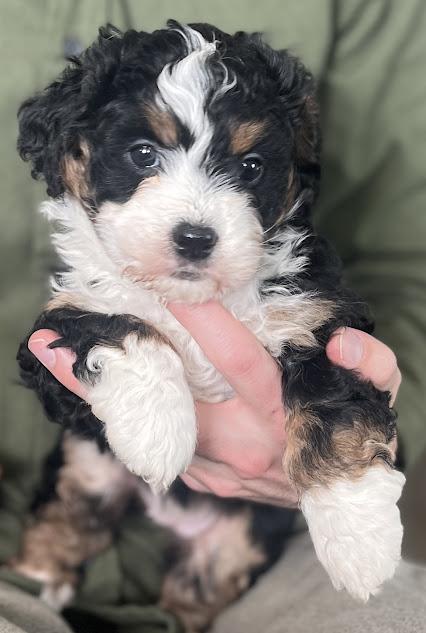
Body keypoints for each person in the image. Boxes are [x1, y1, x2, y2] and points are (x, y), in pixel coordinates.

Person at [1, 1, 426, 632]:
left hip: (277, 531)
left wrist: (343, 477)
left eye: (248, 168)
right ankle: (55, 550)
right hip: (21, 522)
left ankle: (195, 600)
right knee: (81, 469)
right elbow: (55, 361)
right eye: (145, 155)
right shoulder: (93, 281)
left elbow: (402, 271)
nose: (196, 220)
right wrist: (141, 373)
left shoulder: (292, 287)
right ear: (72, 152)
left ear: (292, 173)